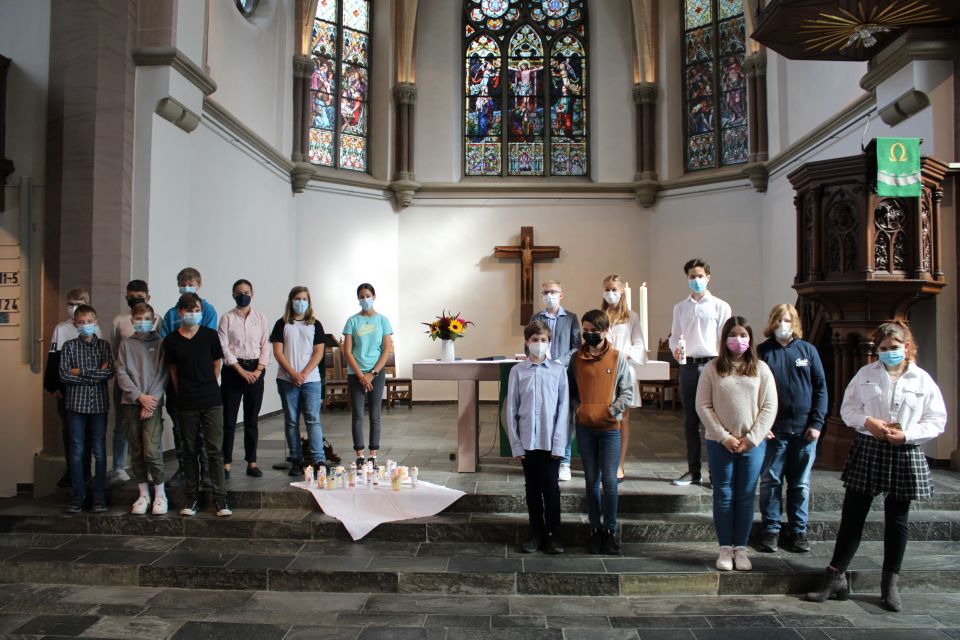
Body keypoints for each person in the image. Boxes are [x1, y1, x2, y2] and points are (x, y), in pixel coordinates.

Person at [807, 321, 947, 612]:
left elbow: (936, 420)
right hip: (870, 447)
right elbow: (847, 409)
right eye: (883, 349)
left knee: (897, 520)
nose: (888, 353)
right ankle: (835, 576)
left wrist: (907, 435)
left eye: (894, 348)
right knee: (853, 515)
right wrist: (868, 421)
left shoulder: (921, 380)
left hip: (904, 449)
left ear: (906, 347)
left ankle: (889, 584)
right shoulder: (865, 374)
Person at [696, 316, 777, 572]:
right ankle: (724, 548)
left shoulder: (761, 369)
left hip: (752, 444)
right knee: (723, 495)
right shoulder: (712, 368)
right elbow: (703, 405)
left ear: (750, 338)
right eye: (733, 335)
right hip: (721, 443)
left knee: (744, 496)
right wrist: (724, 436)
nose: (738, 340)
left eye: (743, 335)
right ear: (724, 339)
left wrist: (751, 438)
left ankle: (741, 549)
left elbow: (769, 406)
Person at [756, 303, 827, 553]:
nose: (782, 325)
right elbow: (756, 390)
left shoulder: (807, 350)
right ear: (772, 322)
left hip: (805, 431)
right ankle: (771, 529)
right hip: (775, 430)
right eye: (778, 321)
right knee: (771, 481)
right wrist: (762, 425)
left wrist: (817, 423)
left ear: (794, 323)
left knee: (800, 484)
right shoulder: (763, 351)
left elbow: (820, 387)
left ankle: (797, 531)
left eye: (787, 321)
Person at [568, 309, 635, 555]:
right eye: (585, 330)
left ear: (605, 331)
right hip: (586, 428)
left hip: (609, 429)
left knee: (609, 481)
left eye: (594, 331)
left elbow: (628, 391)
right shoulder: (576, 359)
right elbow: (571, 390)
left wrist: (612, 410)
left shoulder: (617, 358)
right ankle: (594, 529)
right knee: (590, 480)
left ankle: (610, 530)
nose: (589, 334)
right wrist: (579, 409)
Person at [163, 293, 231, 517]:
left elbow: (216, 365)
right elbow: (172, 371)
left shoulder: (210, 336)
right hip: (186, 401)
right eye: (190, 310)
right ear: (180, 312)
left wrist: (207, 385)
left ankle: (220, 499)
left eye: (197, 310)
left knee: (214, 450)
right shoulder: (171, 340)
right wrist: (183, 392)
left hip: (211, 399)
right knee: (189, 450)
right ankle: (191, 498)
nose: (194, 314)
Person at [507, 320, 570, 555]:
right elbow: (511, 409)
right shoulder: (518, 371)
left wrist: (559, 443)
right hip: (527, 442)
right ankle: (536, 533)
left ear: (550, 342)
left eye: (543, 340)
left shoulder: (558, 370)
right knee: (532, 488)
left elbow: (564, 409)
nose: (539, 344)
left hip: (551, 440)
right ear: (526, 342)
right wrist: (516, 444)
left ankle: (554, 534)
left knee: (551, 489)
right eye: (535, 340)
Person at [669, 258, 732, 486]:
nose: (695, 280)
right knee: (690, 421)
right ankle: (693, 471)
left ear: (708, 277)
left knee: (714, 420)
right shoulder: (680, 307)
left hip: (713, 364)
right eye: (691, 277)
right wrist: (675, 348)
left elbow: (726, 339)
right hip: (688, 365)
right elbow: (675, 336)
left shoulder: (720, 306)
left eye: (699, 276)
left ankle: (717, 473)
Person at [160, 268, 218, 488]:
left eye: (190, 283)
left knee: (203, 431)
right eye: (183, 283)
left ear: (199, 284)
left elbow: (208, 345)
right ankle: (184, 470)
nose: (187, 286)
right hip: (178, 383)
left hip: (202, 382)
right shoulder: (171, 314)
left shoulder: (208, 310)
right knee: (180, 430)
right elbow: (168, 346)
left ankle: (206, 472)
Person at [58, 304, 114, 514]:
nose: (85, 325)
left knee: (99, 451)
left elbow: (108, 374)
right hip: (75, 405)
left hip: (98, 405)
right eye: (81, 322)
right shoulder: (69, 347)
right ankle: (78, 496)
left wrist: (79, 372)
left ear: (96, 322)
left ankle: (99, 495)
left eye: (89, 322)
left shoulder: (104, 346)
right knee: (77, 451)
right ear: (75, 324)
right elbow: (64, 375)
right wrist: (92, 373)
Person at [44, 288, 100, 489]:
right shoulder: (61, 329)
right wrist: (52, 386)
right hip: (66, 390)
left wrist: (82, 373)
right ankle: (73, 472)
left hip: (90, 391)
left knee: (89, 434)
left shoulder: (95, 329)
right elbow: (54, 360)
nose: (74, 307)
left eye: (79, 302)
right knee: (71, 434)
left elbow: (100, 365)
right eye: (71, 303)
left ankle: (87, 472)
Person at [115, 303, 169, 515]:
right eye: (139, 318)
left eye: (147, 318)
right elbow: (121, 373)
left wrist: (151, 400)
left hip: (153, 404)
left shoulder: (161, 344)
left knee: (152, 450)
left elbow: (163, 373)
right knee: (136, 450)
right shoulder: (126, 345)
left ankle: (160, 494)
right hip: (131, 403)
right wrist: (139, 397)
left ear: (153, 320)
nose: (143, 322)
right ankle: (143, 494)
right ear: (132, 321)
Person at [270, 286, 327, 477]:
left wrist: (303, 373)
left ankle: (319, 459)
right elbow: (278, 352)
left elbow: (319, 352)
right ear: (290, 301)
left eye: (304, 299)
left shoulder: (315, 324)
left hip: (311, 380)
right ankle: (296, 459)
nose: (300, 302)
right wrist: (293, 373)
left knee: (313, 420)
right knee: (292, 421)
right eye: (297, 298)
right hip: (287, 379)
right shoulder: (282, 323)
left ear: (309, 302)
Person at [218, 279, 270, 479]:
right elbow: (223, 347)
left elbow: (266, 345)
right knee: (229, 420)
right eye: (239, 292)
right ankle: (226, 463)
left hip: (256, 370)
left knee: (251, 420)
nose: (243, 295)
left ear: (252, 294)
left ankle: (252, 462)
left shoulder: (261, 318)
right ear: (233, 295)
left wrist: (258, 370)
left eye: (247, 292)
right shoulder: (227, 318)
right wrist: (240, 370)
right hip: (233, 371)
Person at [528, 279, 580, 482]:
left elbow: (576, 346)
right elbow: (529, 343)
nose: (549, 295)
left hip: (564, 374)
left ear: (561, 295)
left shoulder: (571, 318)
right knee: (542, 416)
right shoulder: (536, 317)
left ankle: (564, 461)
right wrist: (540, 361)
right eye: (545, 292)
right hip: (541, 373)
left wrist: (559, 361)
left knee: (564, 418)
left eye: (553, 292)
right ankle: (543, 458)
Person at [108, 279, 155, 487]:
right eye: (132, 296)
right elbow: (115, 351)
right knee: (122, 426)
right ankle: (118, 466)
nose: (136, 300)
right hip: (126, 383)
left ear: (148, 297)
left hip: (149, 383)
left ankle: (151, 465)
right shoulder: (119, 321)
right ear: (127, 297)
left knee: (151, 426)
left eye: (140, 297)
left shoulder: (157, 319)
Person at [341, 283, 393, 471]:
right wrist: (361, 375)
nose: (365, 299)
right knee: (357, 414)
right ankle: (360, 455)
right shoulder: (352, 321)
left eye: (368, 295)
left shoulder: (383, 321)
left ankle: (373, 455)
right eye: (361, 296)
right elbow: (347, 350)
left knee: (375, 415)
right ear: (358, 299)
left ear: (374, 296)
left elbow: (386, 349)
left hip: (376, 373)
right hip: (356, 373)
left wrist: (372, 374)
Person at [601, 275, 647, 482]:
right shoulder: (599, 316)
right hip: (602, 371)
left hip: (624, 370)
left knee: (622, 418)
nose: (610, 293)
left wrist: (623, 353)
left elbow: (639, 345)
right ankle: (604, 462)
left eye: (614, 289)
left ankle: (619, 465)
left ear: (621, 292)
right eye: (607, 289)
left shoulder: (631, 316)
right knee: (603, 417)